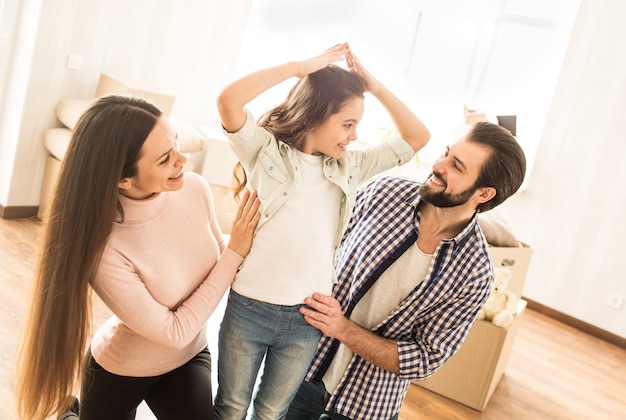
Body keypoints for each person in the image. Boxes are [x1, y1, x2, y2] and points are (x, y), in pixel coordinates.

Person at [213, 43, 430, 420]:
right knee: (230, 409)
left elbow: (416, 137)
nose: (354, 135)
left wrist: (374, 87)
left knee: (271, 414)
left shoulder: (351, 167)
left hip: (306, 318)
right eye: (348, 124)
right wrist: (299, 67)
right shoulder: (264, 152)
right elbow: (229, 100)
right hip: (249, 307)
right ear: (315, 114)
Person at [14, 95, 260, 420]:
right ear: (122, 179)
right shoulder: (103, 249)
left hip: (188, 356)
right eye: (164, 159)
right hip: (121, 372)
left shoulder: (195, 189)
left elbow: (219, 262)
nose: (183, 161)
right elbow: (174, 330)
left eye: (176, 144)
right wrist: (235, 252)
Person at [285, 121, 527, 420]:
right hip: (298, 369)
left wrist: (343, 328)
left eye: (457, 166)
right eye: (446, 154)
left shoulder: (475, 275)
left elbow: (426, 358)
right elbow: (317, 250)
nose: (439, 166)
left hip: (366, 406)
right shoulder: (381, 194)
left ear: (484, 194)